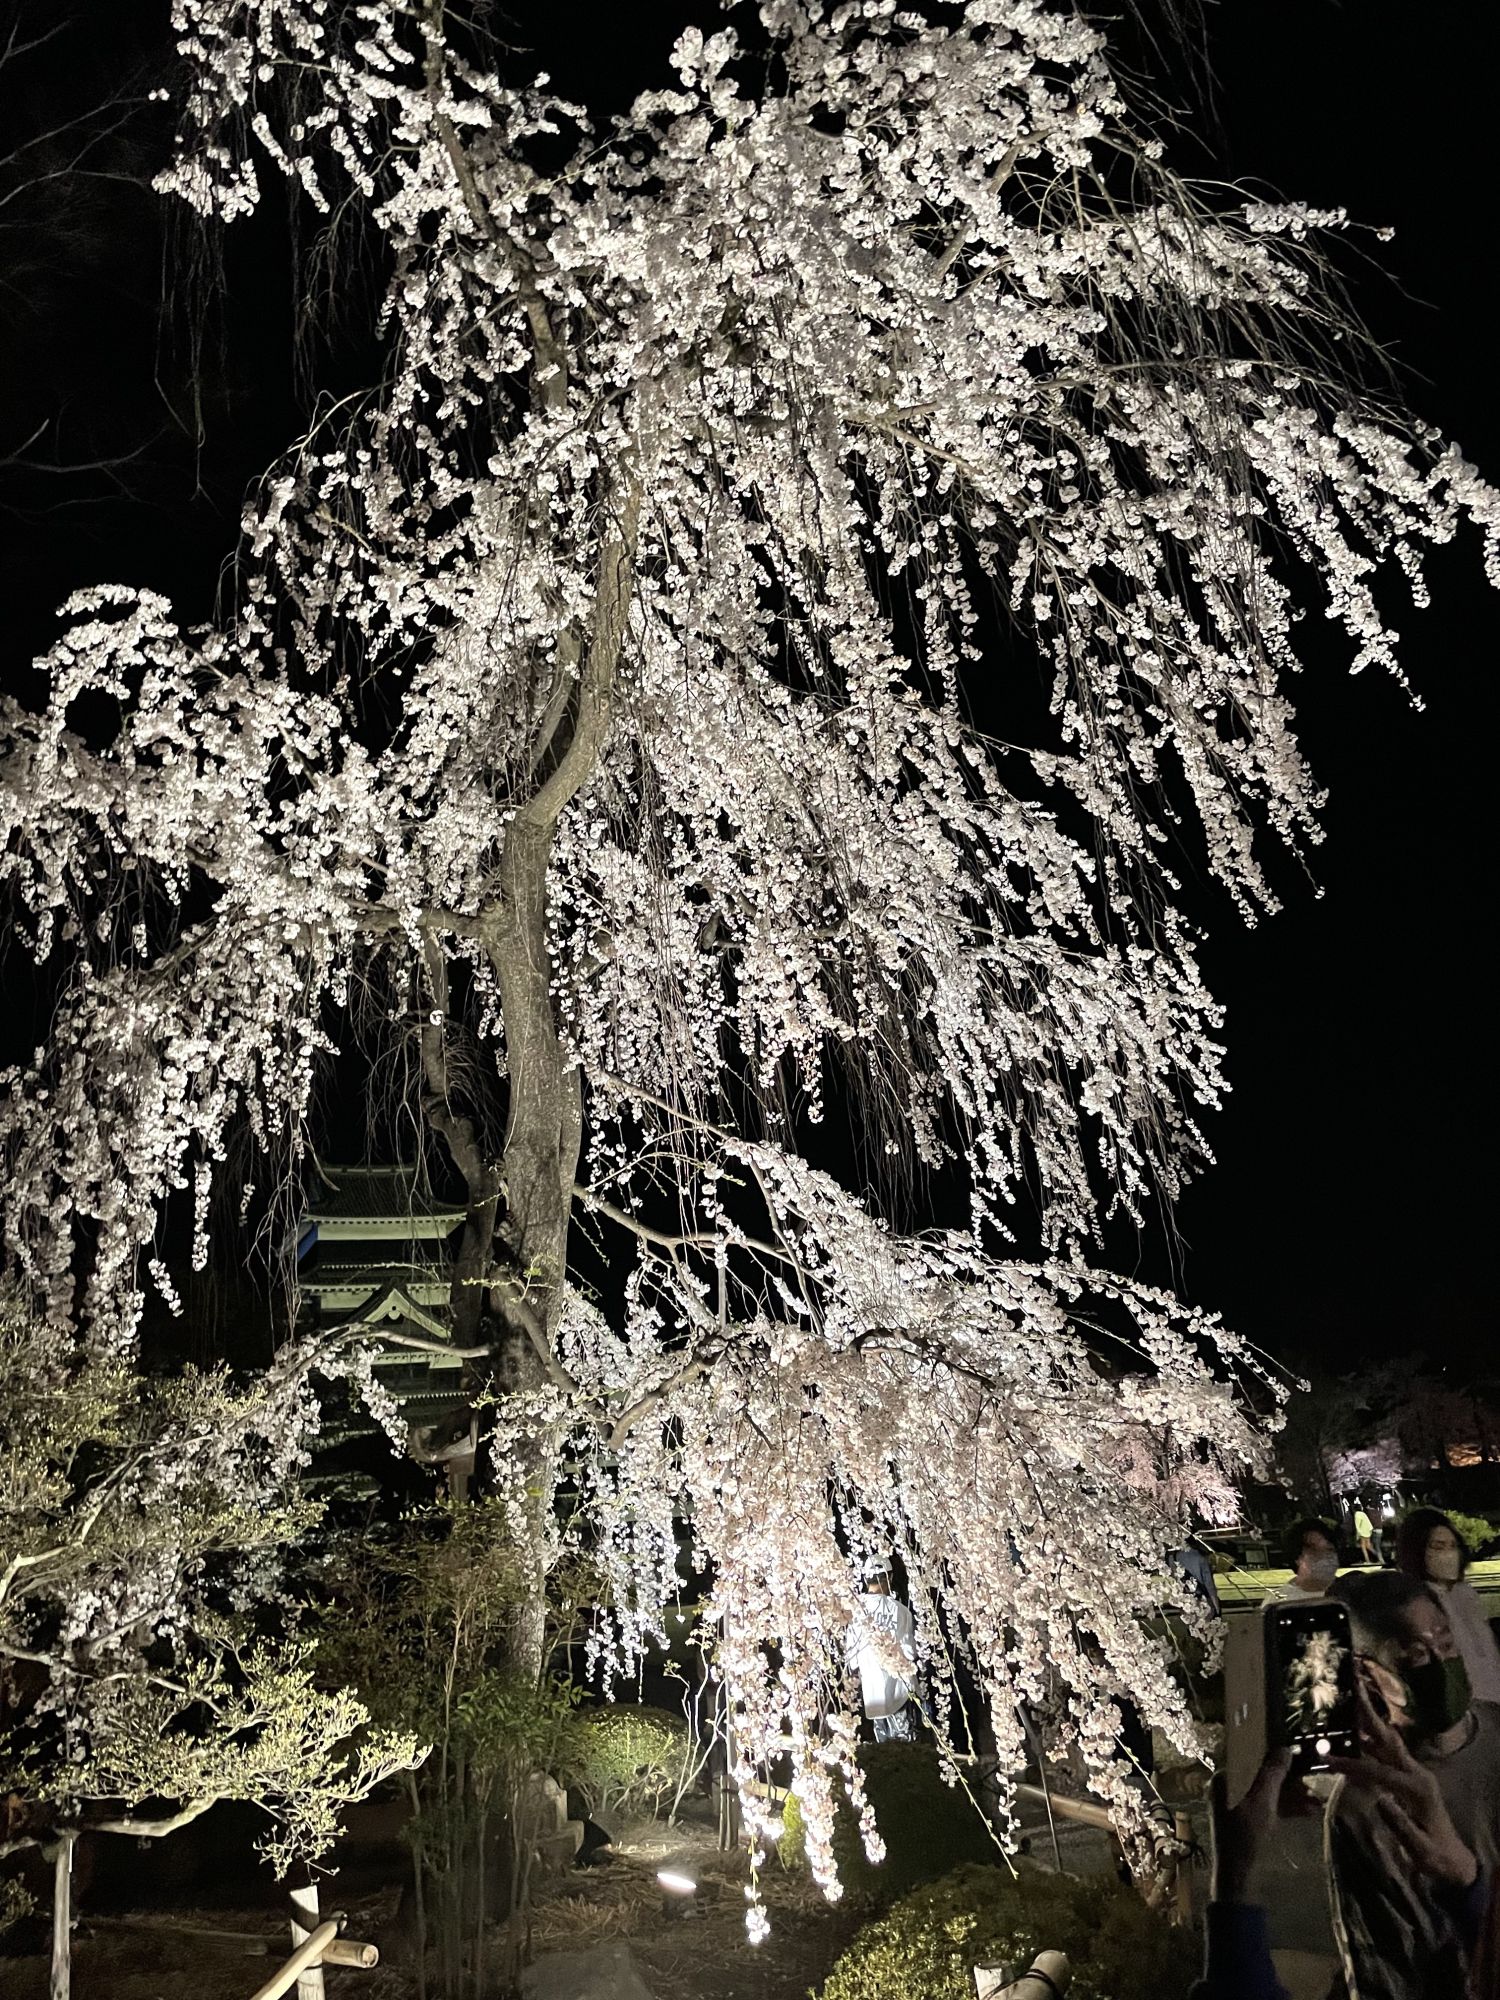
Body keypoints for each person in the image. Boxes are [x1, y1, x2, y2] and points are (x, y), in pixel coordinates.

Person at [1396, 1509, 1500, 1706]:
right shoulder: (1417, 1603)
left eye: (1453, 1546)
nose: (1449, 1554)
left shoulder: (1466, 1594)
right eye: (1438, 1547)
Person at [848, 1561, 917, 1742]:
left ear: (865, 1579)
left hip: (873, 1695)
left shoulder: (855, 1612)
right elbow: (910, 1652)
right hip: (899, 1691)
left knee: (883, 1749)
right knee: (905, 1747)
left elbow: (852, 1660)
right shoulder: (900, 1611)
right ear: (890, 1577)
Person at [1263, 1519, 1340, 1601]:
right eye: (1314, 1551)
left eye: (1329, 1550)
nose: (1325, 1558)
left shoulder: (1347, 1593)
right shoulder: (1279, 1601)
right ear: (1297, 1558)